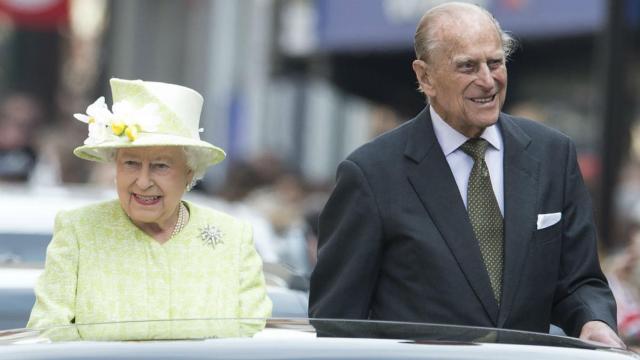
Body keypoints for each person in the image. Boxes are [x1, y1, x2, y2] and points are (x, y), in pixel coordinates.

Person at [309, 2, 623, 348]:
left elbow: (579, 281)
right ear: (424, 76)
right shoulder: (371, 174)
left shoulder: (553, 155)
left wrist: (593, 320)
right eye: (468, 67)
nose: (487, 81)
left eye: (495, 63)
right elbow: (337, 323)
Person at [27, 78, 272, 339]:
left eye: (161, 166)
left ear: (189, 173)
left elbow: (254, 335)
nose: (143, 182)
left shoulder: (232, 237)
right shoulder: (79, 230)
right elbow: (48, 332)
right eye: (131, 163)